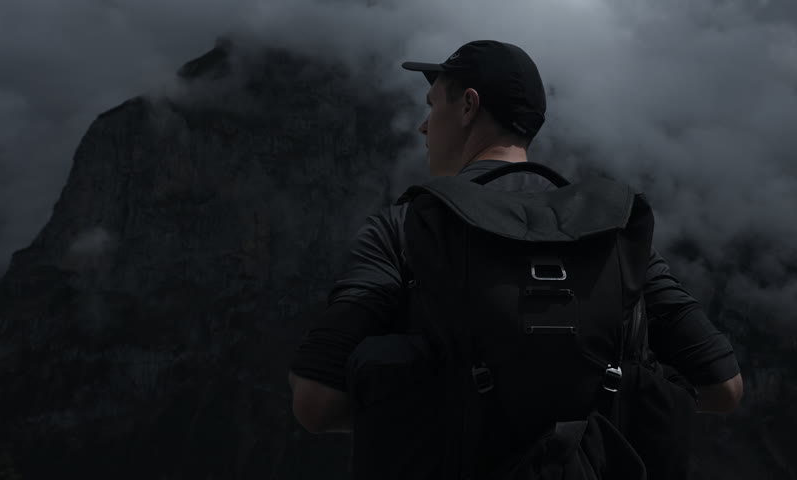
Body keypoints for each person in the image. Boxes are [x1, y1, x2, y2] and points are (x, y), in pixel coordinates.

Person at [288, 40, 743, 467]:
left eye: (432, 106)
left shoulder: (406, 227)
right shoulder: (613, 232)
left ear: (468, 106)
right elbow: (724, 387)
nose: (424, 126)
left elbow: (315, 402)